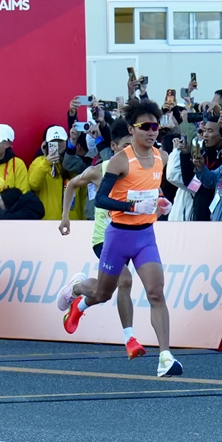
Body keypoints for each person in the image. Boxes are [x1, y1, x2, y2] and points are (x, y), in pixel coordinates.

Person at [57, 100, 182, 378]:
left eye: (155, 126)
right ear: (132, 129)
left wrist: (162, 202)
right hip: (117, 236)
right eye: (145, 126)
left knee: (155, 293)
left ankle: (165, 357)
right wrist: (132, 207)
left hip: (145, 236)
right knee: (103, 294)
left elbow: (153, 189)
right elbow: (102, 199)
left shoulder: (161, 157)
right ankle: (77, 290)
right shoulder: (119, 161)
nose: (152, 131)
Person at [58, 121, 146, 359]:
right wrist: (65, 216)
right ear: (113, 147)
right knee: (125, 281)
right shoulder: (100, 171)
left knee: (103, 294)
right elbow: (72, 185)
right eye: (125, 146)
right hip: (105, 239)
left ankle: (77, 294)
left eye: (133, 146)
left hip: (132, 236)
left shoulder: (141, 170)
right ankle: (130, 340)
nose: (130, 152)